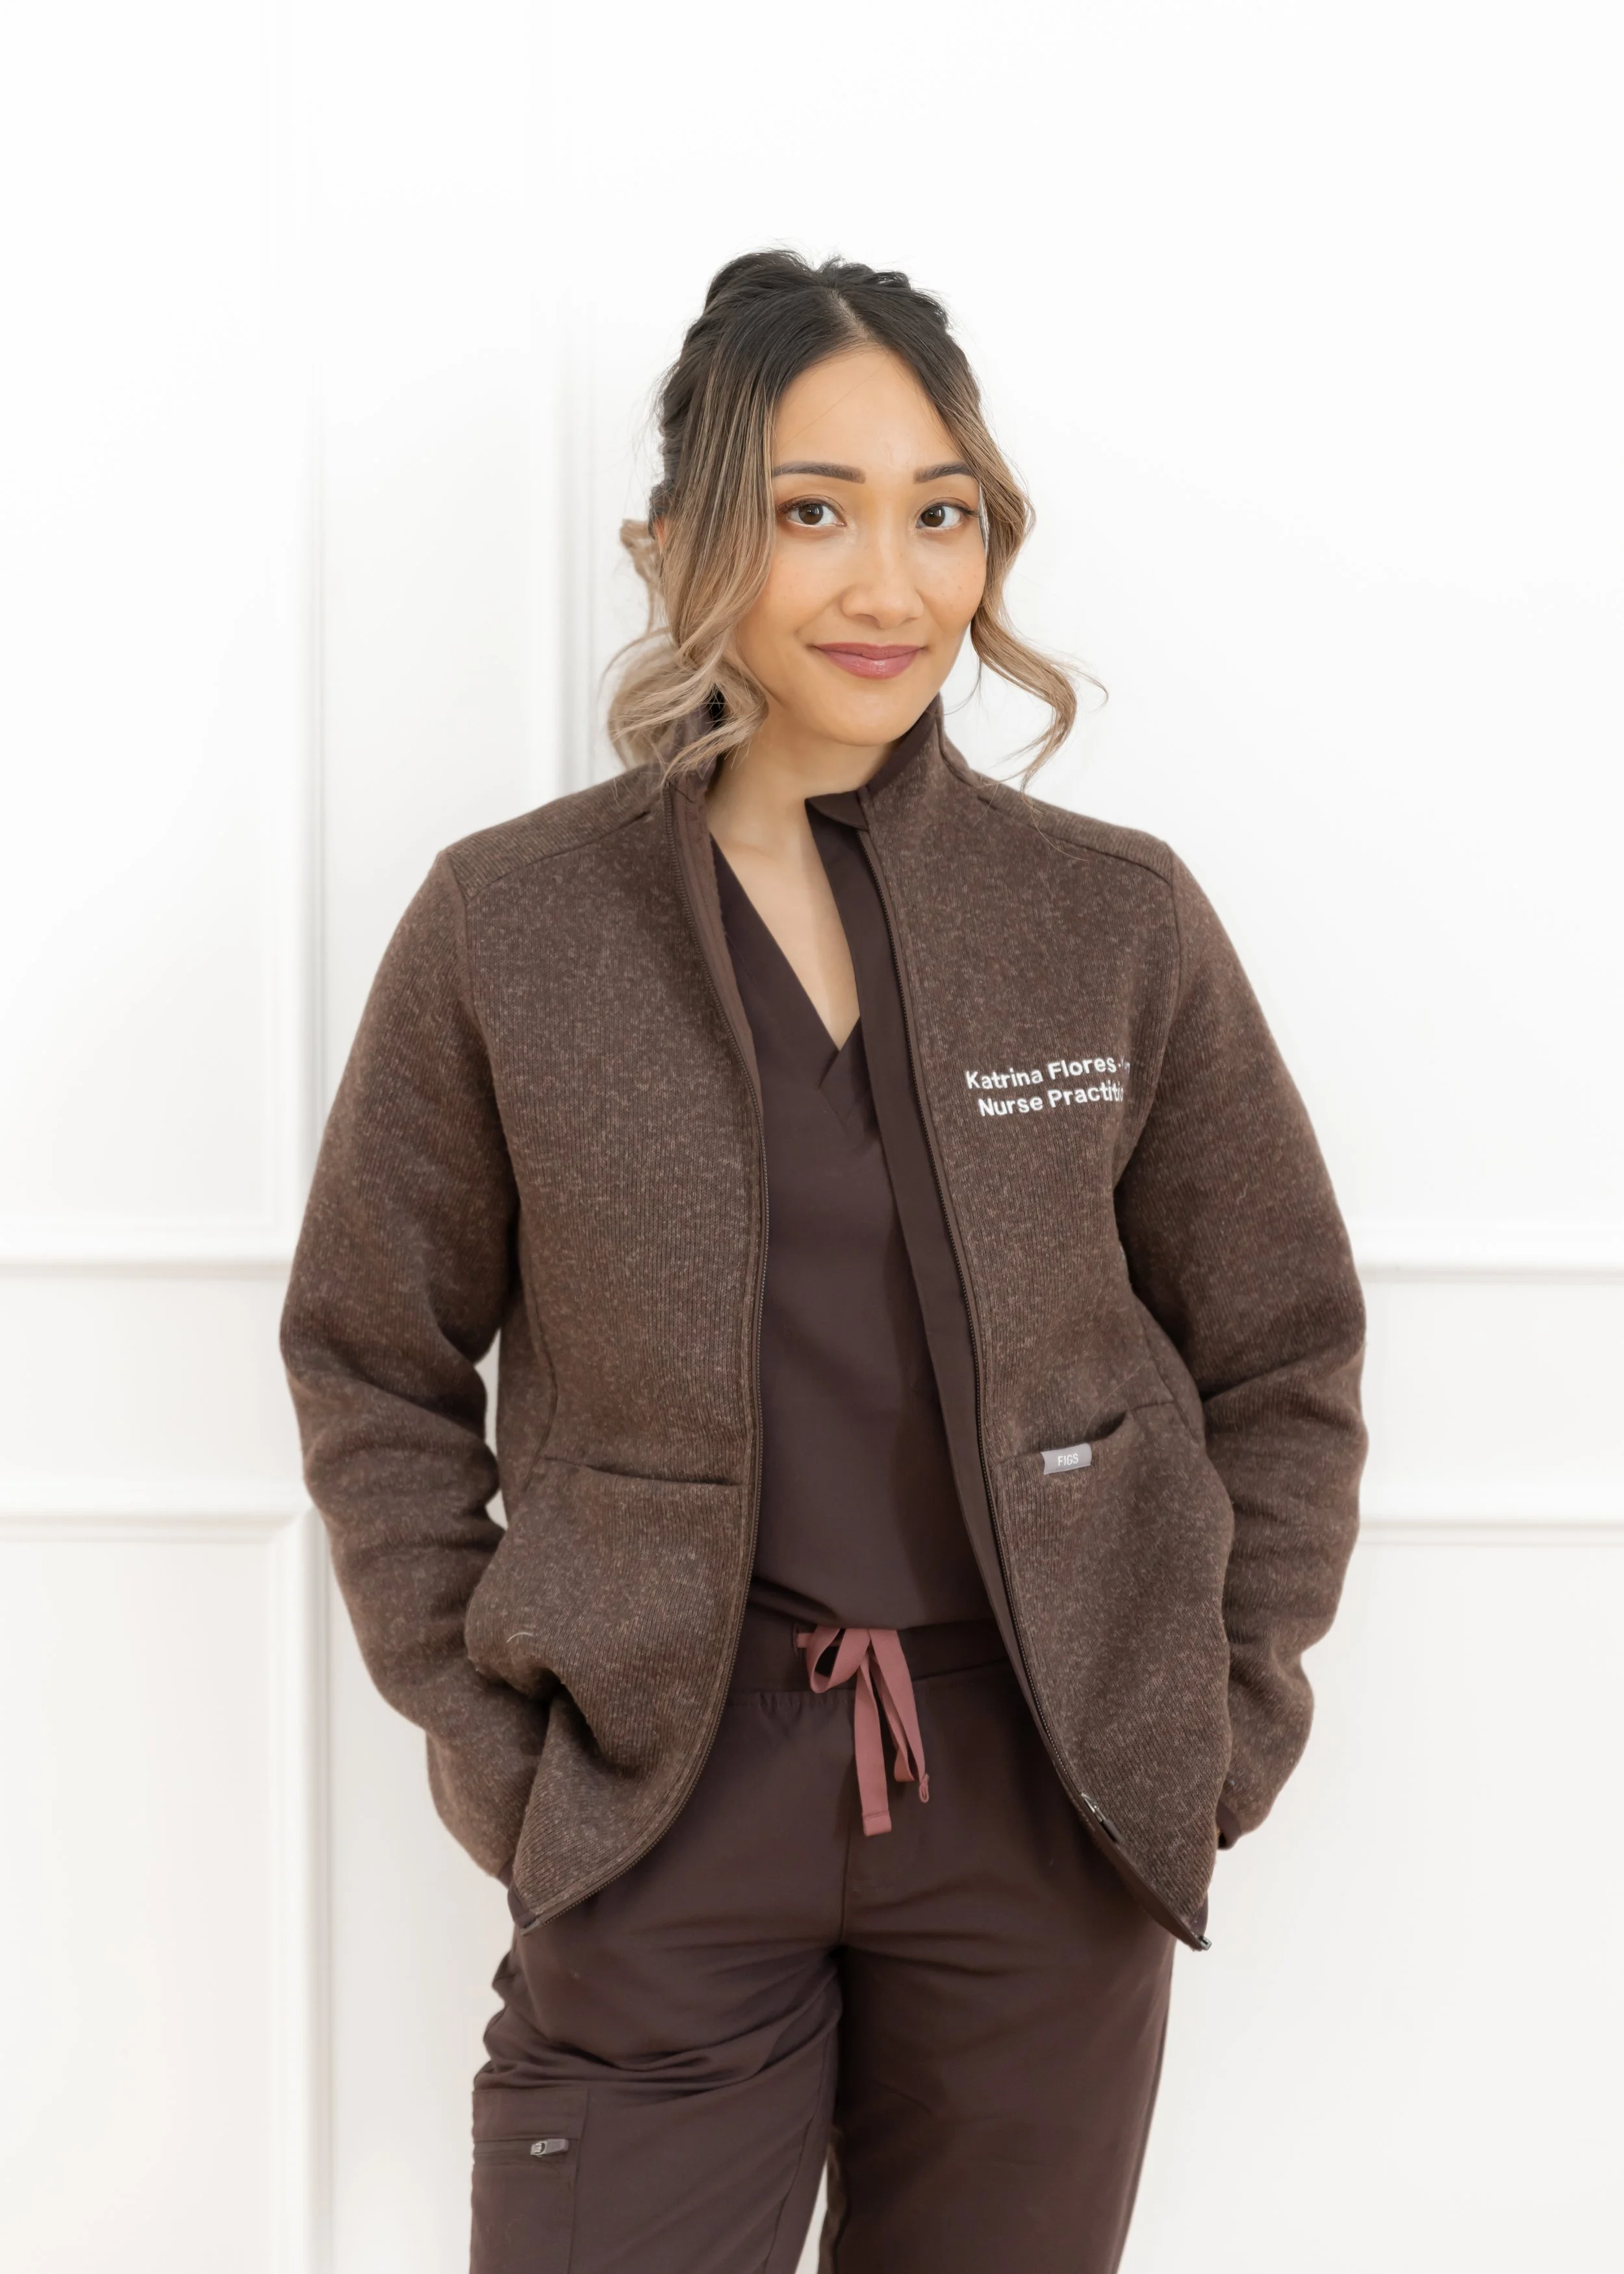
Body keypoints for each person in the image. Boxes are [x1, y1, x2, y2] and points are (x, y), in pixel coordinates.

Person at [281, 249, 1367, 2274]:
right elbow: (370, 1354)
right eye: (811, 511)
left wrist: (1211, 1726)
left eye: (936, 511)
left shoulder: (1108, 921)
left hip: (1041, 1797)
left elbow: (1283, 1347)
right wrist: (513, 1751)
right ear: (678, 540)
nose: (889, 584)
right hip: (664, 1794)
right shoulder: (512, 924)